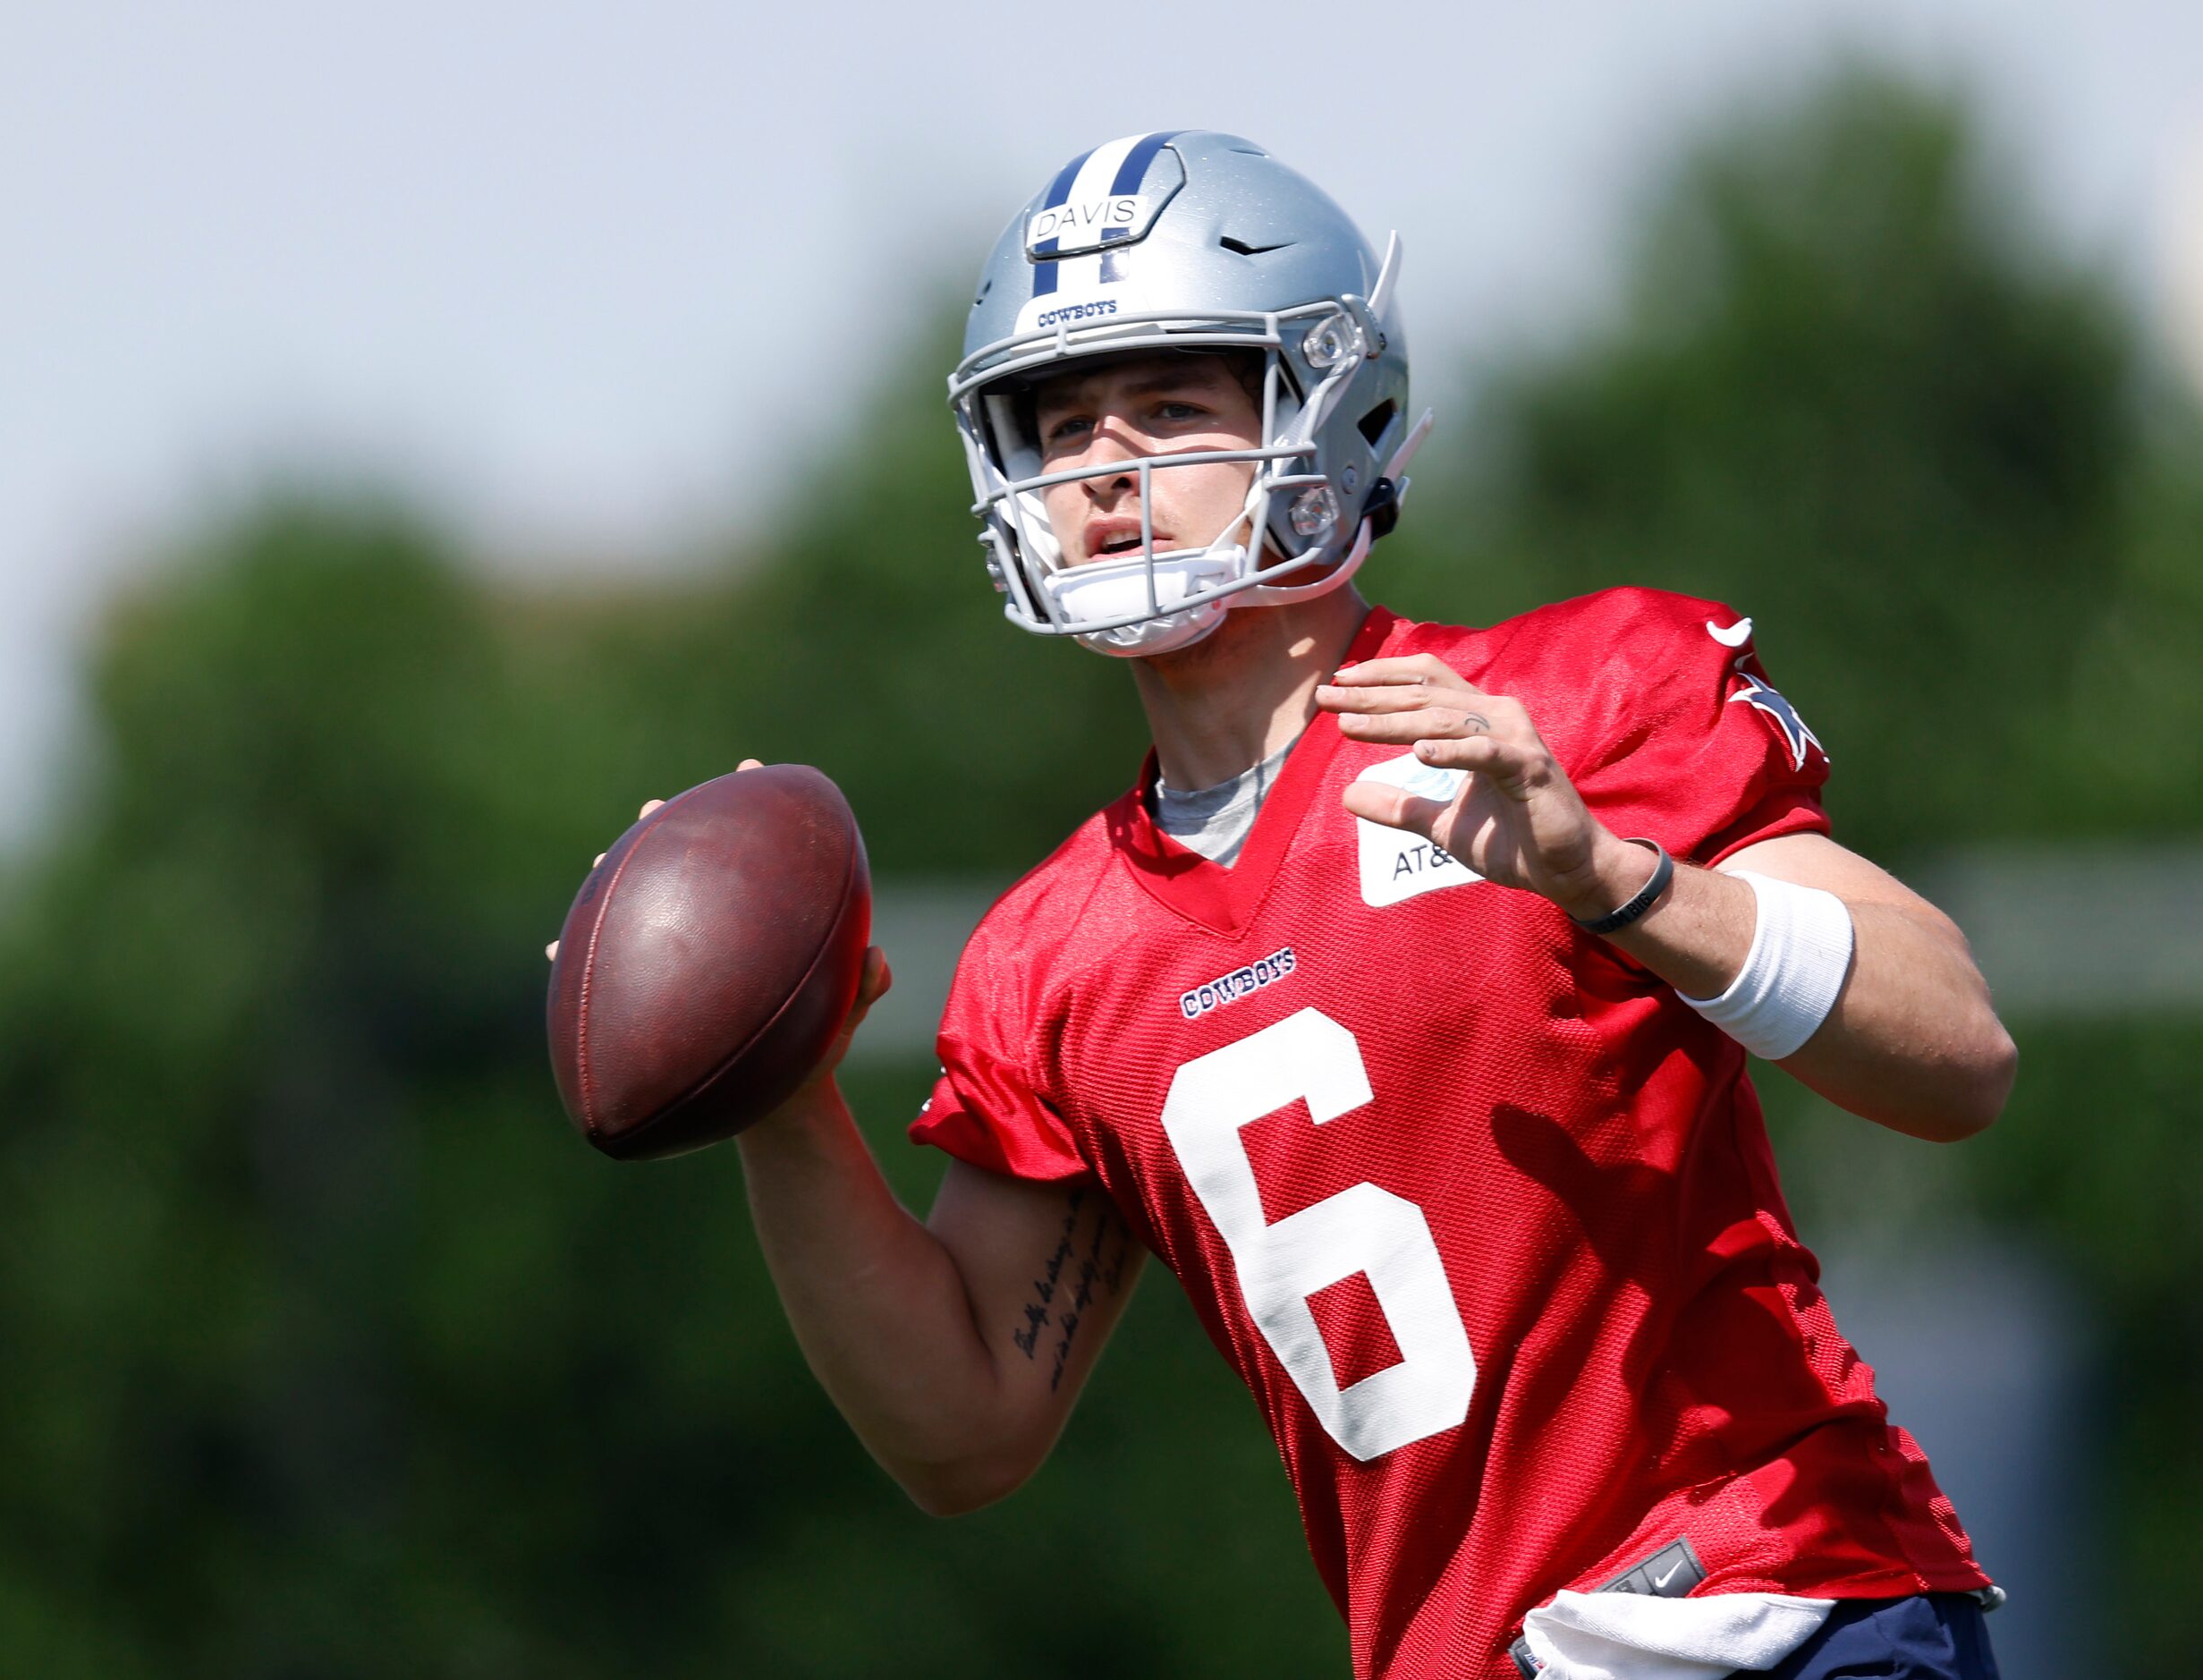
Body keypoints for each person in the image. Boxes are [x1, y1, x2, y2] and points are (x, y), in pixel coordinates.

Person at [598, 132, 2018, 1679]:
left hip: (1769, 1606)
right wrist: (780, 1094)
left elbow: (1953, 1050)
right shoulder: (1053, 955)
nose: (1107, 466)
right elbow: (965, 1432)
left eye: (1172, 404)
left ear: (1331, 407)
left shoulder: (1569, 700)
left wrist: (1619, 883)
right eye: (1063, 423)